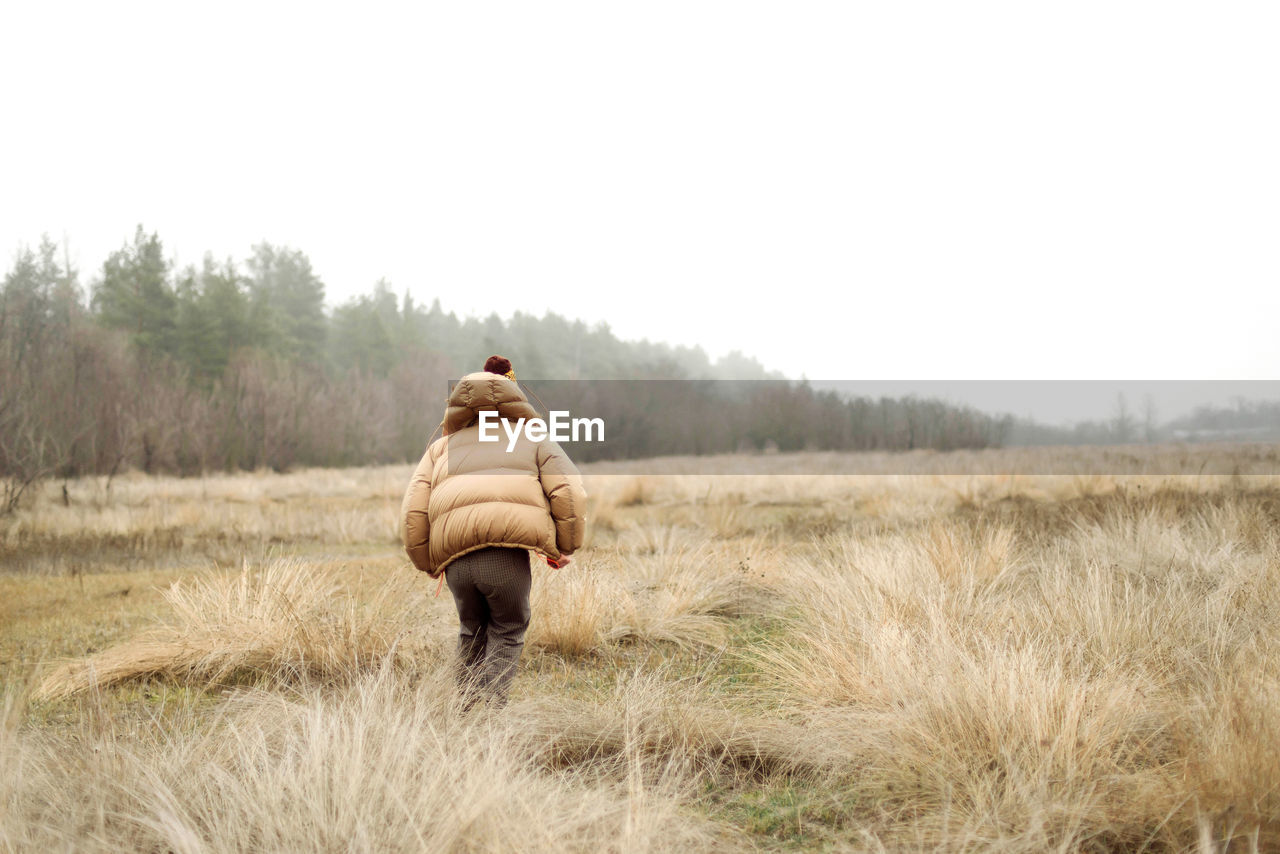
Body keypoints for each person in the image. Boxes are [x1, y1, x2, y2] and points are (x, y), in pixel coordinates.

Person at [400, 355, 587, 707]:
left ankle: (465, 711)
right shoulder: (531, 438)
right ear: (514, 396)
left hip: (456, 562)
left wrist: (426, 561)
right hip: (503, 557)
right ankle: (489, 713)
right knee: (509, 625)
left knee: (472, 630)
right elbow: (568, 489)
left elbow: (413, 507)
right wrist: (566, 545)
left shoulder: (440, 448)